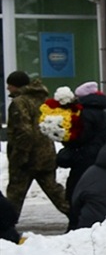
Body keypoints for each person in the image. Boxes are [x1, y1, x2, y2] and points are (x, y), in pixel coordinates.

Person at [5, 71, 69, 219]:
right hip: (45, 154)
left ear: (16, 86)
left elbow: (25, 132)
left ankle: (5, 228)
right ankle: (79, 216)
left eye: (10, 85)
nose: (8, 88)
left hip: (26, 158)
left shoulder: (19, 103)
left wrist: (20, 156)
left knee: (14, 196)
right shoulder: (42, 100)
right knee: (56, 192)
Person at [56, 83, 106, 211]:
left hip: (84, 157)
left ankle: (76, 222)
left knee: (76, 190)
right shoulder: (102, 113)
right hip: (98, 155)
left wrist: (66, 140)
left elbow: (80, 137)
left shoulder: (84, 114)